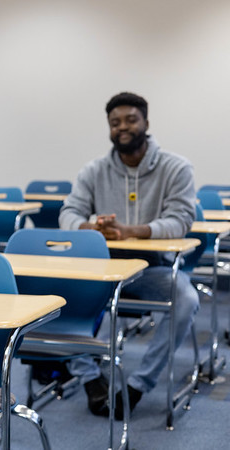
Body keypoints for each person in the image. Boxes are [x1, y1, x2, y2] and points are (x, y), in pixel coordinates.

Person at [59, 92, 199, 419]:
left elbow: (181, 220)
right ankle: (90, 378)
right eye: (115, 122)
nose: (123, 127)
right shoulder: (93, 170)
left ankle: (137, 385)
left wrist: (133, 231)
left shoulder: (176, 168)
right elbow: (69, 211)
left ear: (146, 124)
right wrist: (89, 227)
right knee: (58, 296)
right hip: (103, 271)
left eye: (130, 120)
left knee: (187, 299)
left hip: (152, 272)